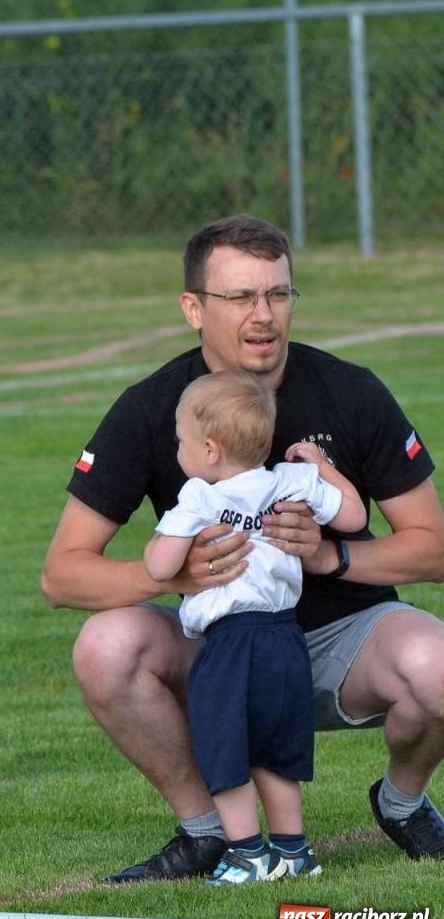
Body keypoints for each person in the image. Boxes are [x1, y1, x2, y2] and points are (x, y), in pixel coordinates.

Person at [41, 213, 444, 883]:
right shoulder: (153, 409)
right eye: (240, 298)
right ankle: (208, 835)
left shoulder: (350, 391)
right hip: (220, 645)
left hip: (346, 640)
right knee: (105, 646)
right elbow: (62, 575)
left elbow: (433, 547)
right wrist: (177, 576)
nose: (264, 315)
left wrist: (332, 559)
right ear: (194, 308)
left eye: (278, 294)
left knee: (439, 666)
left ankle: (402, 803)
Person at [142, 370, 364, 884]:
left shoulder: (199, 496)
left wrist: (162, 545)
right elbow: (352, 518)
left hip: (229, 642)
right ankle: (295, 853)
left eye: (181, 440)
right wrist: (323, 468)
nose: (178, 449)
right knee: (276, 746)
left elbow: (159, 567)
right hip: (285, 637)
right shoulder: (290, 483)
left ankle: (246, 853)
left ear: (211, 449)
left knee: (225, 745)